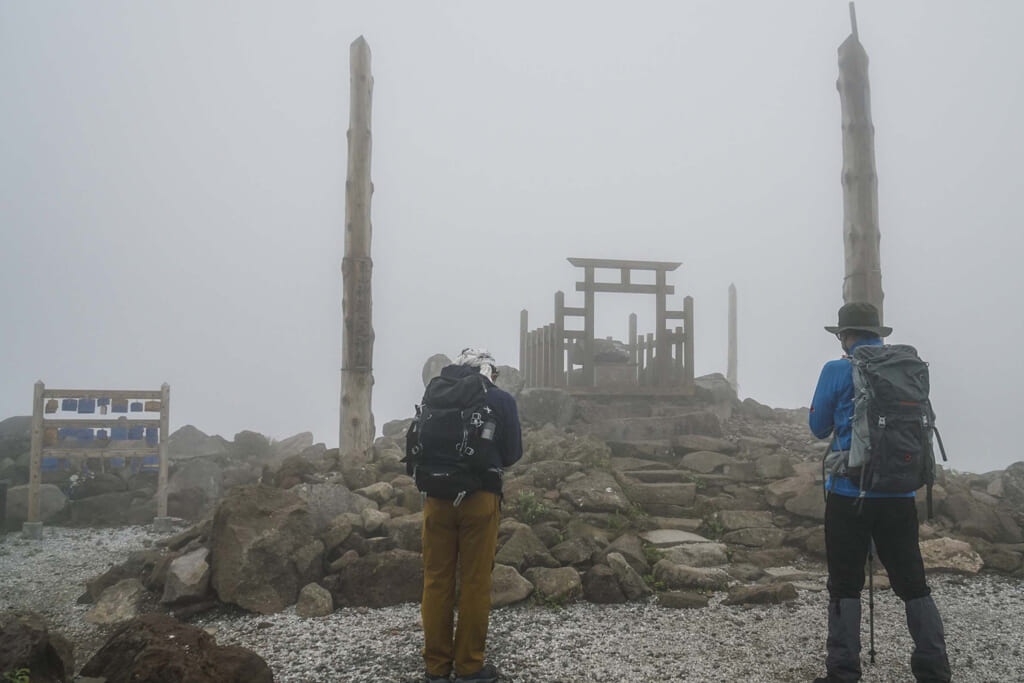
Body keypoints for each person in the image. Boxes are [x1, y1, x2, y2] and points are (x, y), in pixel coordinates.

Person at [809, 302, 950, 683]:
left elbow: (818, 427)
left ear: (844, 336)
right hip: (900, 494)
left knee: (844, 583)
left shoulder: (837, 370)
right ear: (878, 335)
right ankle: (934, 669)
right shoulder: (904, 371)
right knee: (913, 582)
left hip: (847, 493)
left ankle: (842, 672)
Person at [421, 348, 522, 683]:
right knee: (476, 583)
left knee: (437, 581)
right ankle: (469, 666)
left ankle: (436, 667)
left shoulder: (438, 394)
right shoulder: (501, 399)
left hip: (436, 498)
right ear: (489, 372)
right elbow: (512, 453)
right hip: (480, 499)